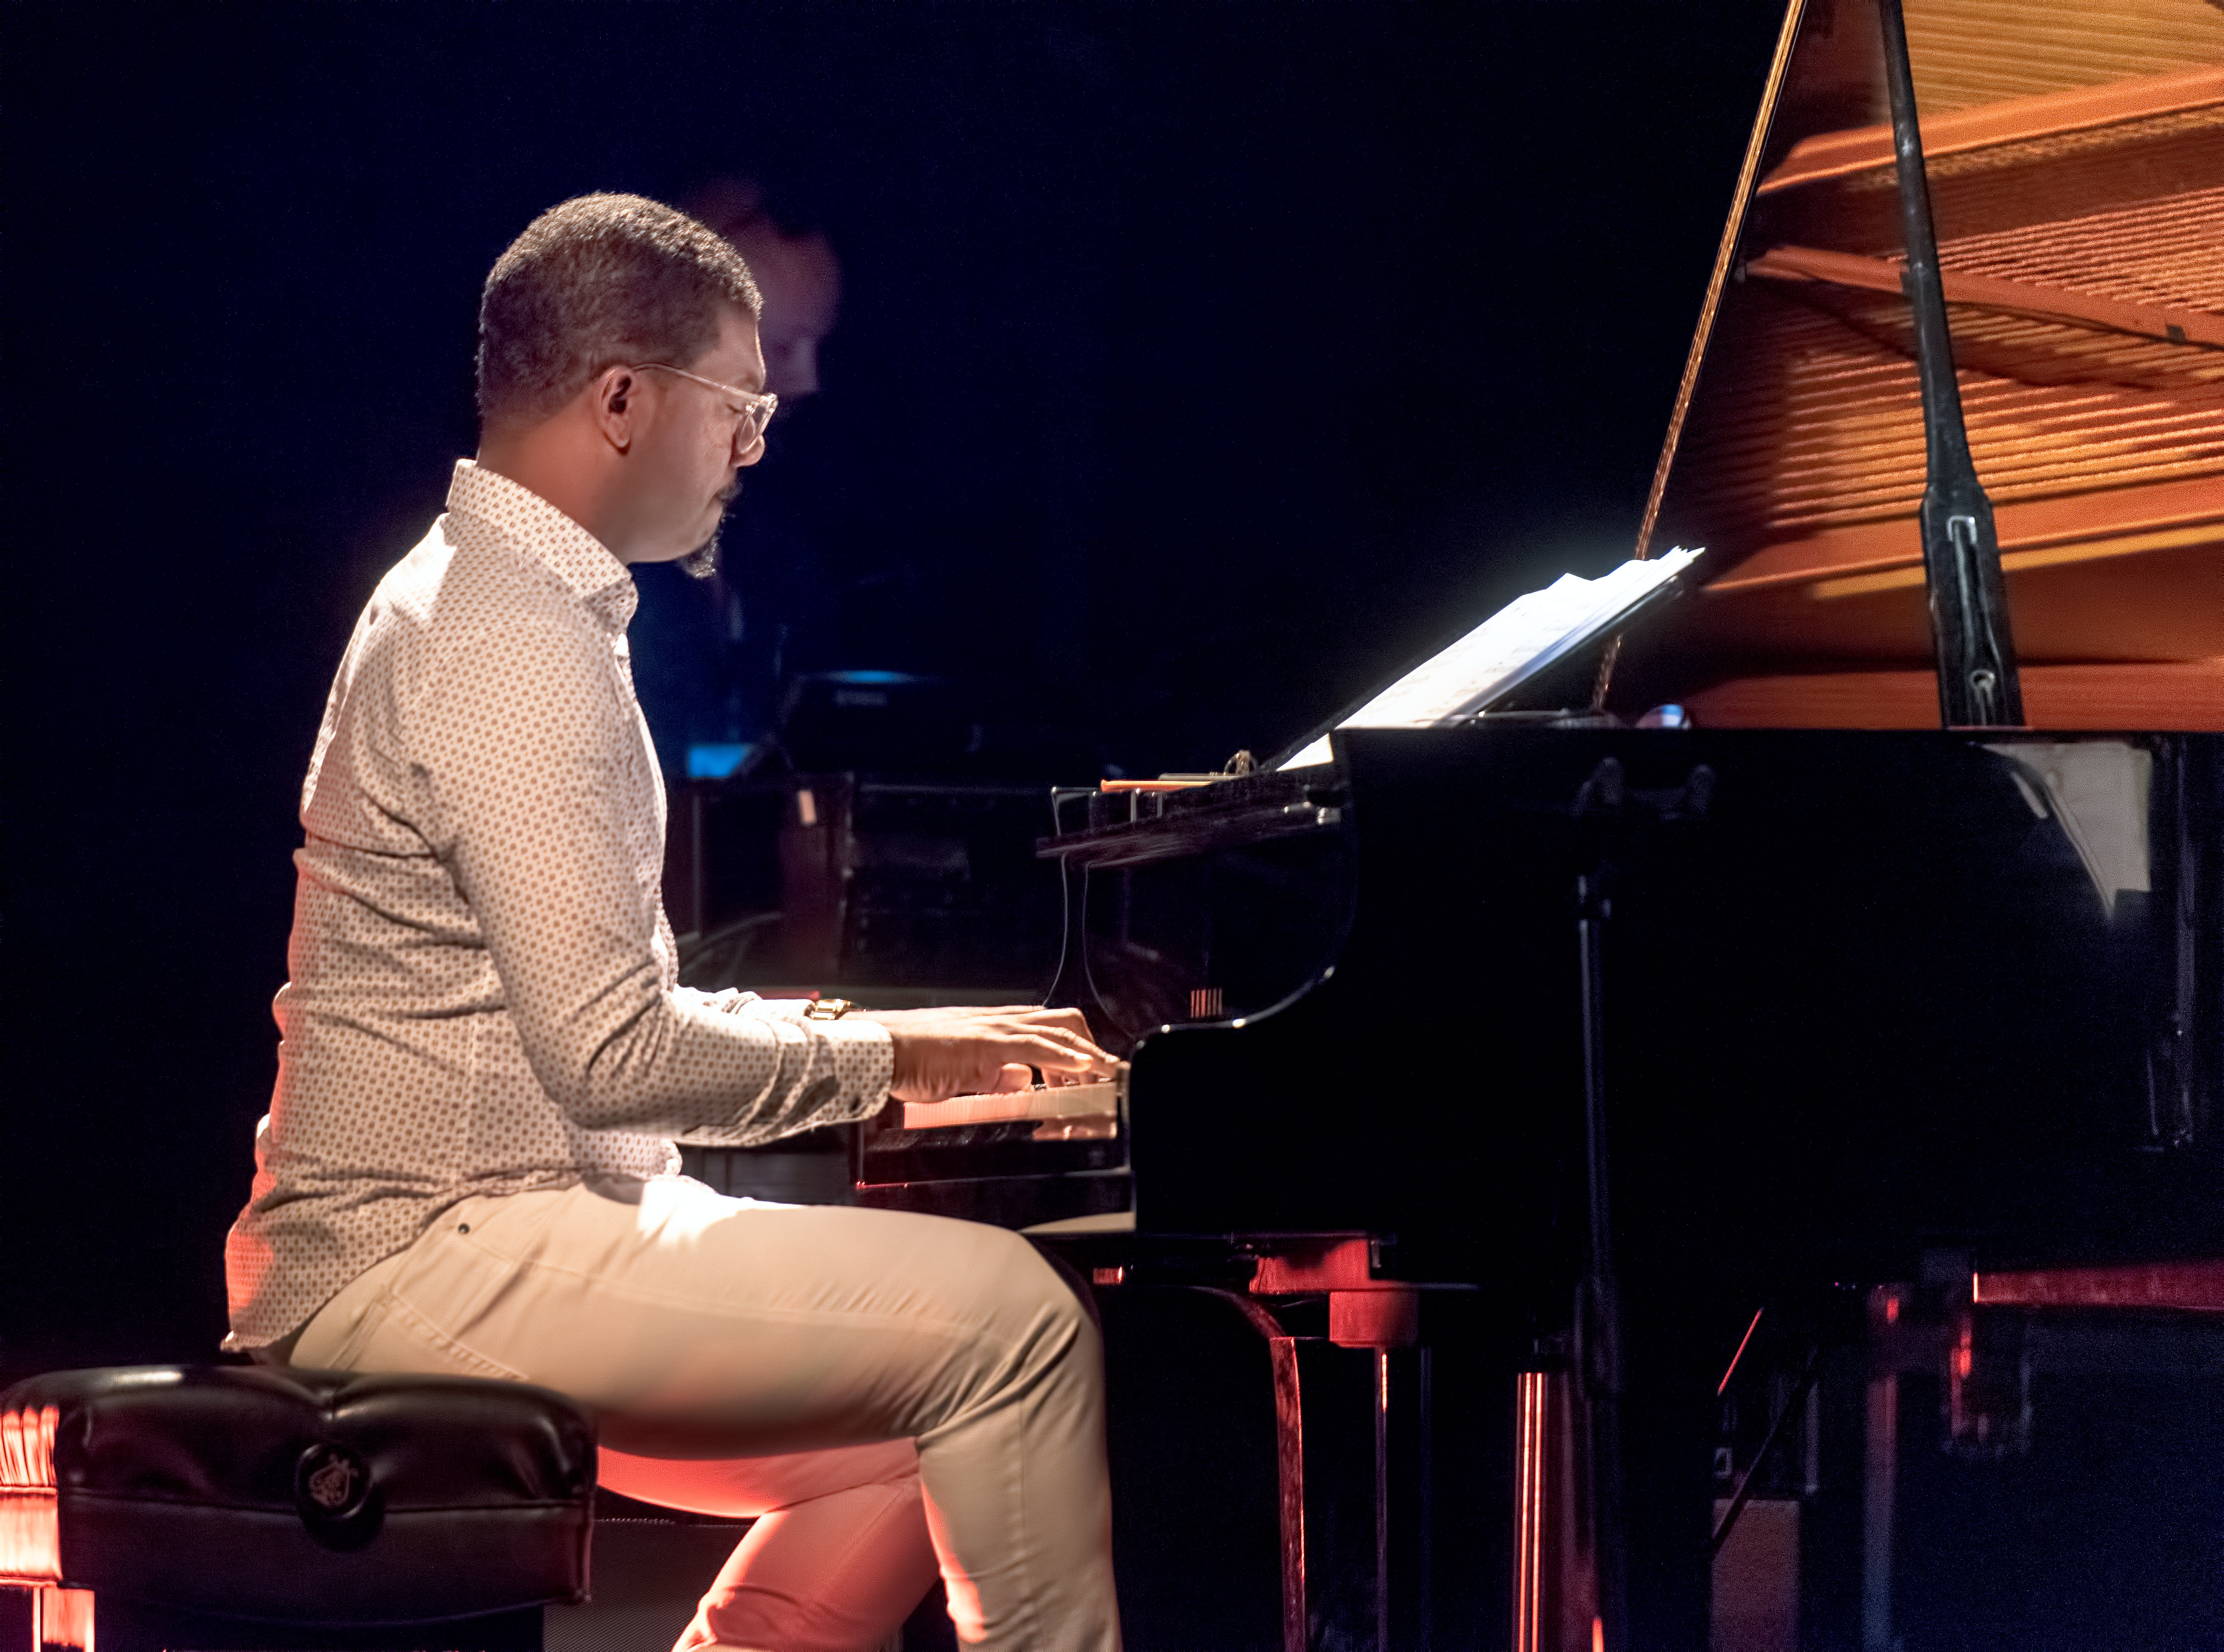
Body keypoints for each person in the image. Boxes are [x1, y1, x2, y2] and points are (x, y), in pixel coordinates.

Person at [223, 193, 1122, 1652]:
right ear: (625, 400)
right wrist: (893, 1058)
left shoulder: (500, 601)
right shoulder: (506, 631)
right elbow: (611, 1056)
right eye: (741, 409)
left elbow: (598, 1027)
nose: (757, 450)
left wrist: (878, 1039)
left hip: (494, 1223)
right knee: (1015, 1328)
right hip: (422, 1253)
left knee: (940, 1420)